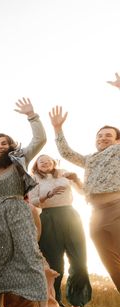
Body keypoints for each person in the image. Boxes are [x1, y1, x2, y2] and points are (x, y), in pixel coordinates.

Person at [0, 98, 51, 307]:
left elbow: (40, 140)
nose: (0, 146)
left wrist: (32, 115)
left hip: (19, 211)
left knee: (31, 258)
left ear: (10, 145)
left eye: (4, 142)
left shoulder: (20, 159)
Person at [48, 75, 120, 292]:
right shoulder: (89, 159)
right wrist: (58, 129)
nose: (103, 138)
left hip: (117, 209)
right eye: (99, 136)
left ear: (117, 140)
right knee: (111, 265)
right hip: (95, 215)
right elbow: (67, 153)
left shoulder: (118, 151)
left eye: (108, 135)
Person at [29, 154, 91, 307]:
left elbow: (84, 192)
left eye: (48, 160)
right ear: (36, 165)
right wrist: (48, 195)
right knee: (54, 265)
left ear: (53, 163)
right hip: (48, 219)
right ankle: (53, 303)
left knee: (79, 259)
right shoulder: (33, 179)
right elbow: (32, 201)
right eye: (41, 161)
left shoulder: (64, 174)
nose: (45, 162)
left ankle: (77, 302)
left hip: (70, 216)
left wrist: (76, 179)